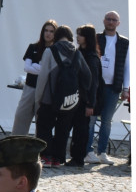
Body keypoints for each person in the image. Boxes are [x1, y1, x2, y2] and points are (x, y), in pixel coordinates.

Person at [34, 26, 92, 167]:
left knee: (44, 126)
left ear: (56, 36)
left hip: (49, 98)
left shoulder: (50, 51)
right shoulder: (77, 52)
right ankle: (57, 159)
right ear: (70, 37)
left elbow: (43, 77)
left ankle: (46, 157)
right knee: (63, 129)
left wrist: (38, 97)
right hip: (69, 100)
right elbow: (87, 76)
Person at [86, 11, 129, 165]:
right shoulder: (96, 38)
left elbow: (128, 66)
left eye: (114, 20)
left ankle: (102, 152)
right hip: (95, 86)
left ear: (118, 23)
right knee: (91, 120)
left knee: (106, 121)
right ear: (104, 21)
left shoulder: (125, 42)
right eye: (108, 19)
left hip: (113, 87)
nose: (111, 22)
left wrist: (126, 88)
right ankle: (88, 151)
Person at [11, 20, 58, 135]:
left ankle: (40, 145)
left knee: (41, 121)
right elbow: (27, 68)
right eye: (46, 30)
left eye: (51, 31)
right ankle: (16, 142)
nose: (48, 33)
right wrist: (42, 68)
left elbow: (51, 72)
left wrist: (35, 66)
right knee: (21, 116)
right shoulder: (33, 47)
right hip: (30, 88)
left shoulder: (55, 51)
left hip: (45, 91)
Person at [67, 25, 102, 167]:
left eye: (80, 34)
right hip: (76, 97)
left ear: (87, 37)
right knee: (75, 128)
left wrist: (90, 104)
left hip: (84, 100)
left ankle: (78, 158)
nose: (77, 37)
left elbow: (93, 83)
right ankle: (74, 156)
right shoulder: (79, 53)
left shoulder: (91, 57)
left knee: (81, 130)